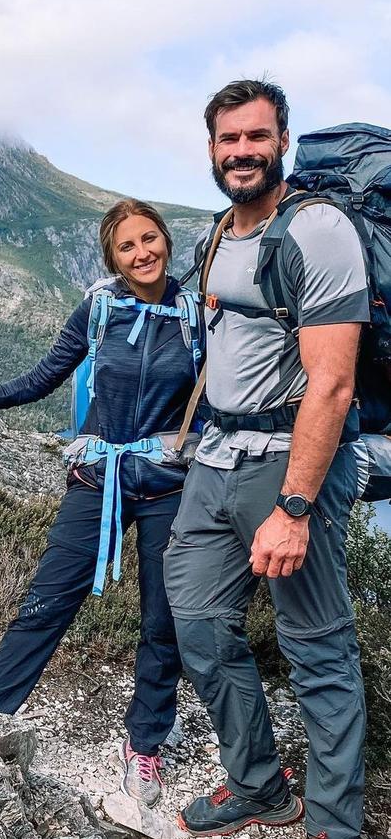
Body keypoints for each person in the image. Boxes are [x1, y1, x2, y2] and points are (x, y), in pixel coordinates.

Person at [0, 198, 199, 807]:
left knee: (164, 619)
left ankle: (145, 746)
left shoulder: (198, 313)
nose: (142, 252)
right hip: (98, 476)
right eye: (128, 246)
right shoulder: (99, 309)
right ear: (112, 258)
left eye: (150, 239)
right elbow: (42, 377)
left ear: (167, 243)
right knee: (48, 598)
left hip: (170, 484)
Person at [164, 79, 368, 839]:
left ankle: (334, 823)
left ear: (283, 140)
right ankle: (259, 786)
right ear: (212, 148)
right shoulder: (218, 232)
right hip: (217, 458)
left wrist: (294, 507)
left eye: (256, 137)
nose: (242, 151)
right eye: (228, 139)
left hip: (290, 463)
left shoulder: (316, 231)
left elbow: (334, 382)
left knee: (317, 649)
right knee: (199, 623)